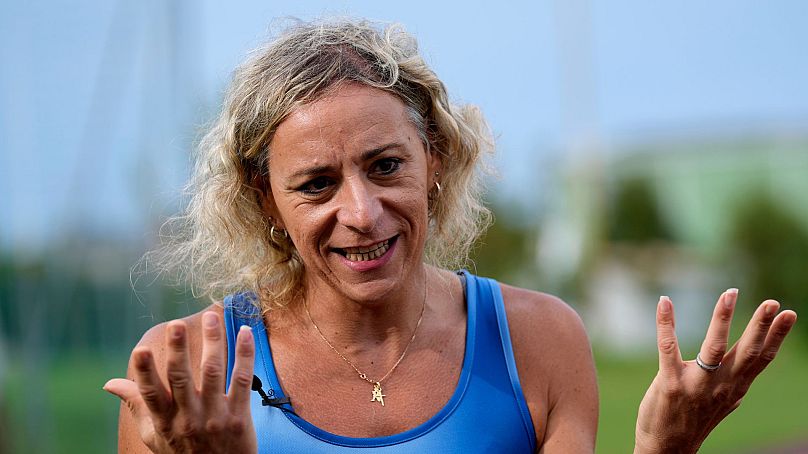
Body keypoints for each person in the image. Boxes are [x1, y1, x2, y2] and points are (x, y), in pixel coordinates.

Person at [104, 19, 798, 453]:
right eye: (316, 183)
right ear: (265, 199)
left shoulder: (538, 340)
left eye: (385, 166)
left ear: (434, 157)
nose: (364, 212)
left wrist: (662, 450)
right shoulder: (184, 377)